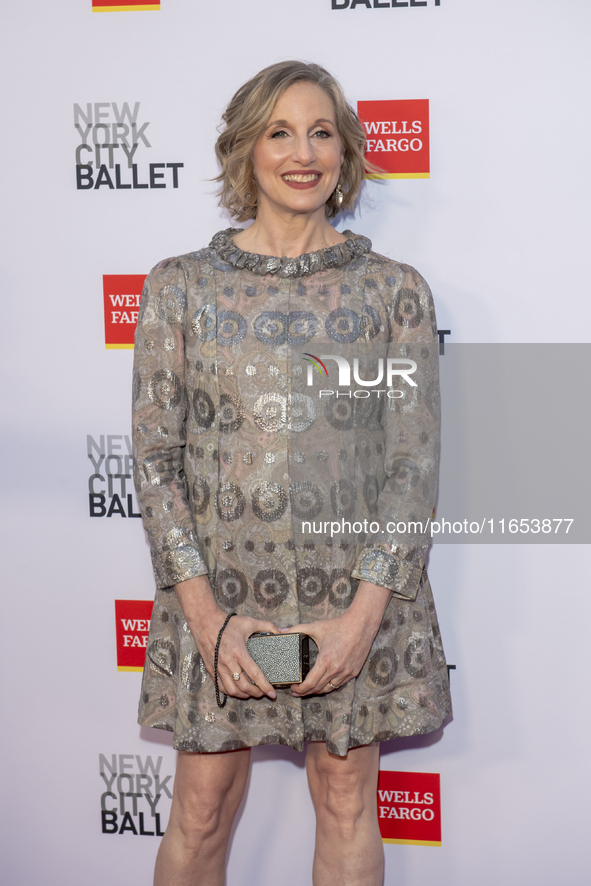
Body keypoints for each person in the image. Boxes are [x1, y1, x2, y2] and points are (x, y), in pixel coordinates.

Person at [132, 60, 451, 886]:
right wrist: (207, 622)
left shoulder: (393, 293)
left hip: (349, 603)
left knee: (346, 794)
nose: (301, 152)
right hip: (227, 610)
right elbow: (156, 460)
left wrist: (361, 618)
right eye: (279, 131)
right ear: (245, 151)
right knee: (202, 805)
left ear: (344, 154)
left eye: (321, 132)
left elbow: (411, 463)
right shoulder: (179, 289)